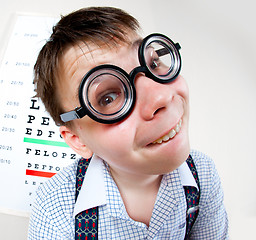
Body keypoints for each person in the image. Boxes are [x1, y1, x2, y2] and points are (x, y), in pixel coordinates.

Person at [27, 6, 228, 239]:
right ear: (78, 140)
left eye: (153, 64)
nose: (160, 96)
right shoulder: (55, 209)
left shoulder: (203, 174)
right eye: (108, 98)